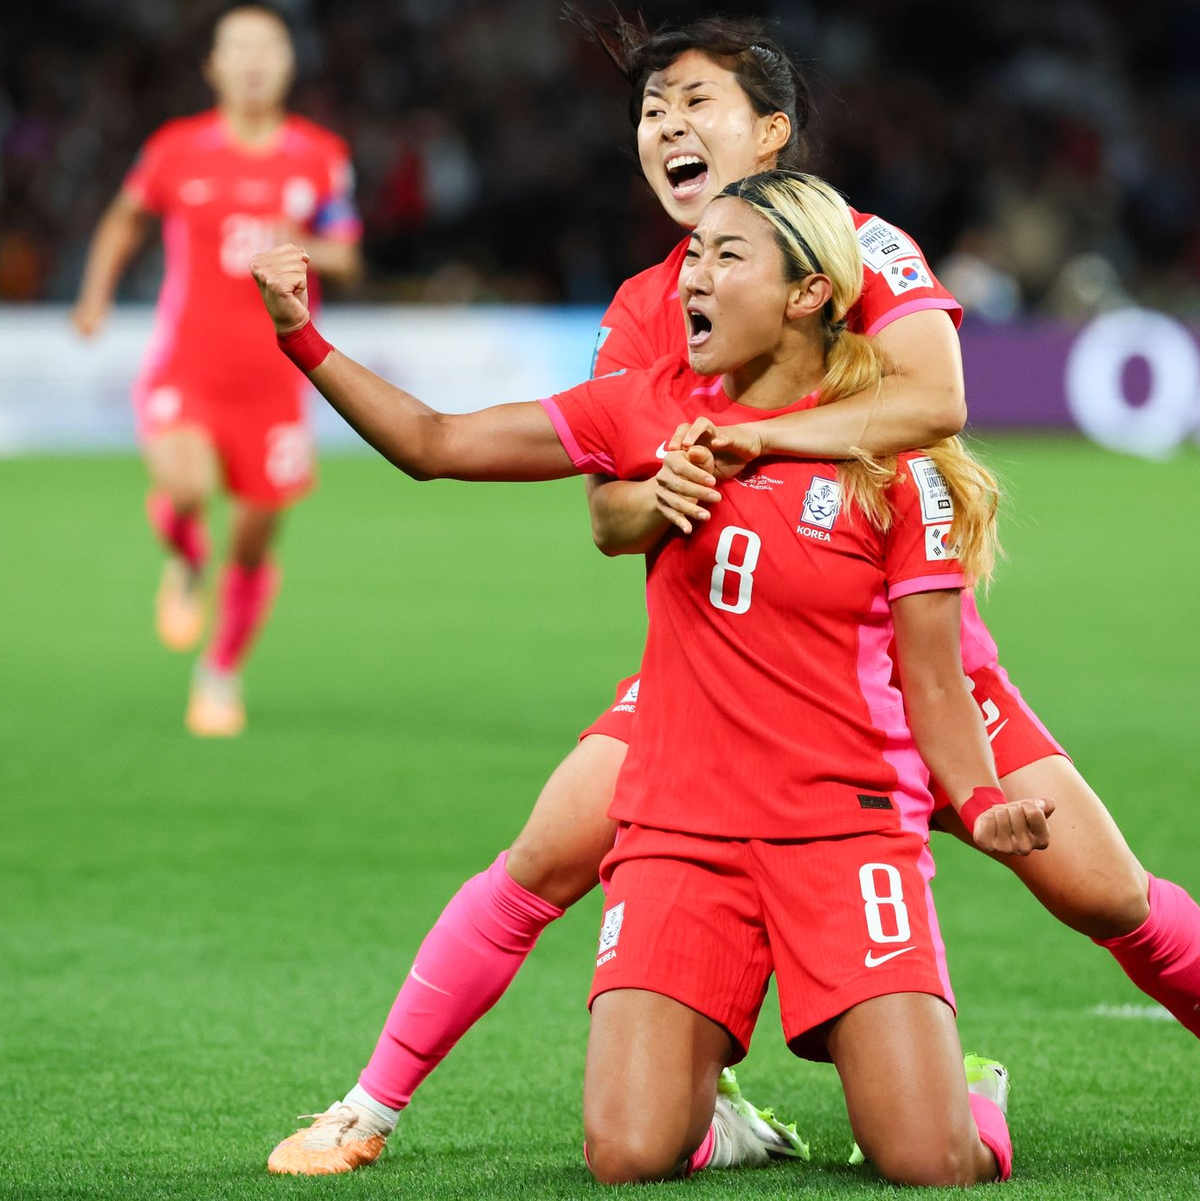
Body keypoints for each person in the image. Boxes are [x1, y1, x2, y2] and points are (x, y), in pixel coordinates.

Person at [266, 10, 1199, 1175]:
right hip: (721, 663)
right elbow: (606, 509)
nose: (665, 126)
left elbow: (933, 399)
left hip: (896, 657)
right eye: (650, 111)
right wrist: (663, 489)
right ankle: (375, 1105)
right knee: (547, 851)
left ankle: (922, 1077)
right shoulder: (651, 304)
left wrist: (765, 446)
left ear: (773, 130)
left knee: (1105, 892)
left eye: (694, 102)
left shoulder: (859, 251)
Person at [72, 4, 362, 736]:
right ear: (214, 66)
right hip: (187, 367)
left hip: (276, 381)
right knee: (186, 483)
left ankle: (220, 671)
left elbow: (347, 254)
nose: (255, 59)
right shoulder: (177, 149)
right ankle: (184, 554)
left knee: (256, 539)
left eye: (269, 45)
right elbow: (124, 218)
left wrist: (296, 241)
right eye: (239, 47)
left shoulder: (321, 155)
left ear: (290, 62)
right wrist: (95, 294)